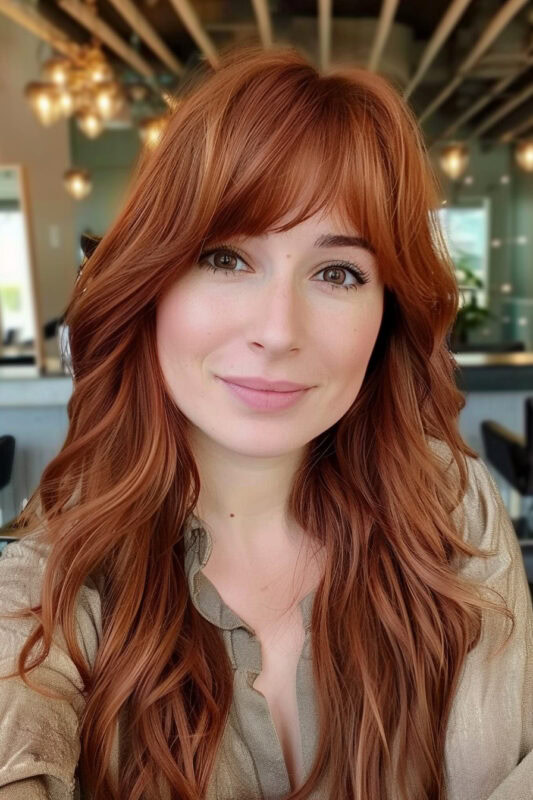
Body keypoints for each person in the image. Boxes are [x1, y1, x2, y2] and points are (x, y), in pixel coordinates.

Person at [0, 43, 531, 800]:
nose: (278, 330)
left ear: (386, 316)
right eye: (224, 258)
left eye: (337, 272)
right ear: (150, 283)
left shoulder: (452, 509)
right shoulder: (54, 570)